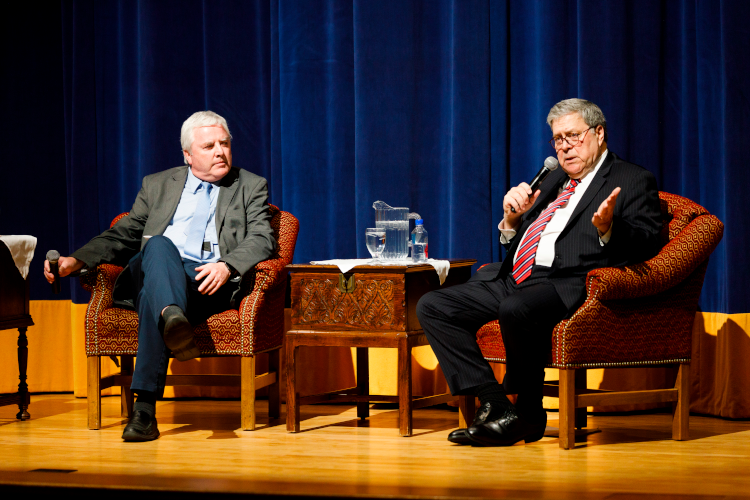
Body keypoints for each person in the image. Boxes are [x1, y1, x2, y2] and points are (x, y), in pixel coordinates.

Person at [416, 98, 662, 446]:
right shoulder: (552, 179)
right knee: (433, 306)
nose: (564, 147)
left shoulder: (631, 178)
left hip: (569, 281)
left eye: (573, 136)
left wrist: (609, 228)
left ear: (599, 133)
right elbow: (525, 241)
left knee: (517, 309)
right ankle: (495, 402)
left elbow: (648, 243)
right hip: (514, 278)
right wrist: (511, 221)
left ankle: (529, 414)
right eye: (558, 139)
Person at [44, 111, 277, 442]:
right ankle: (171, 315)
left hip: (206, 282)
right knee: (159, 246)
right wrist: (76, 260)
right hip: (153, 266)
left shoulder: (250, 185)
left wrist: (226, 265)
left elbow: (262, 238)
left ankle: (145, 409)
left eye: (224, 144)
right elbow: (124, 234)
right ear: (187, 155)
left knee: (152, 297)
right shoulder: (157, 185)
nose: (220, 152)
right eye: (209, 145)